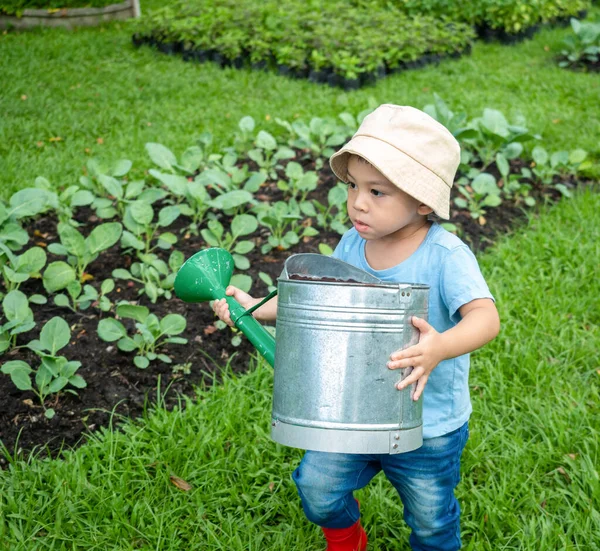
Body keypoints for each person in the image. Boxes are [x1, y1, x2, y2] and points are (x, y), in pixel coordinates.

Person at [212, 104, 500, 551]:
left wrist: (440, 346)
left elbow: (486, 317)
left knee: (430, 519)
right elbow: (321, 306)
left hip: (429, 426)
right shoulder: (352, 243)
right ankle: (347, 538)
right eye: (352, 186)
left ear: (423, 200)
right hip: (349, 415)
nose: (357, 202)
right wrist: (256, 309)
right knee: (318, 489)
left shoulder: (446, 256)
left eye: (378, 192)